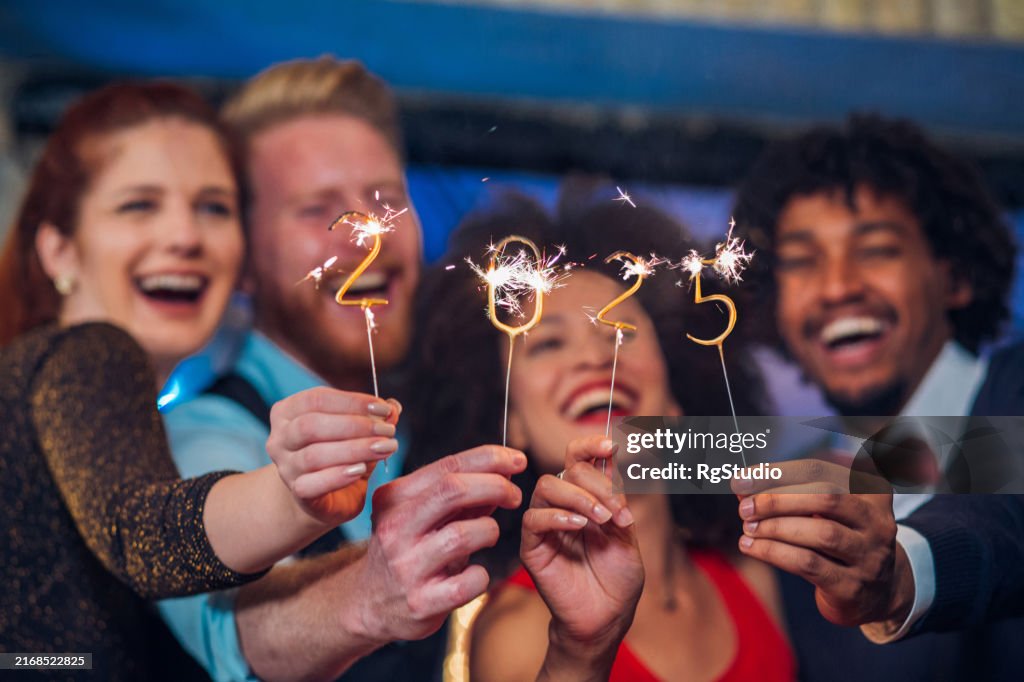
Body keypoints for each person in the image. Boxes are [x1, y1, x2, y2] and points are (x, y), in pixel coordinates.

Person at [0, 82, 404, 679]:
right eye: (139, 204)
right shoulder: (88, 353)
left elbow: (35, 656)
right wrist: (292, 494)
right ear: (59, 250)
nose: (185, 236)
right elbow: (140, 532)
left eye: (213, 207)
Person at [157, 57, 524, 682]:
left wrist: (740, 460)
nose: (367, 239)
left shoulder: (457, 402)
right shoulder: (203, 434)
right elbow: (235, 631)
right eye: (316, 210)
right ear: (242, 259)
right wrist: (369, 591)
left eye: (386, 203)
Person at [405, 190, 796, 681]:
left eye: (621, 333)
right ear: (512, 422)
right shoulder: (516, 632)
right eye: (547, 343)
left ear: (675, 395)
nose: (594, 359)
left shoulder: (753, 578)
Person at [731, 113, 1024, 676]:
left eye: (877, 249)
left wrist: (898, 573)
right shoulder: (783, 514)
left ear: (955, 276)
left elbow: (1004, 510)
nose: (838, 286)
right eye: (801, 261)